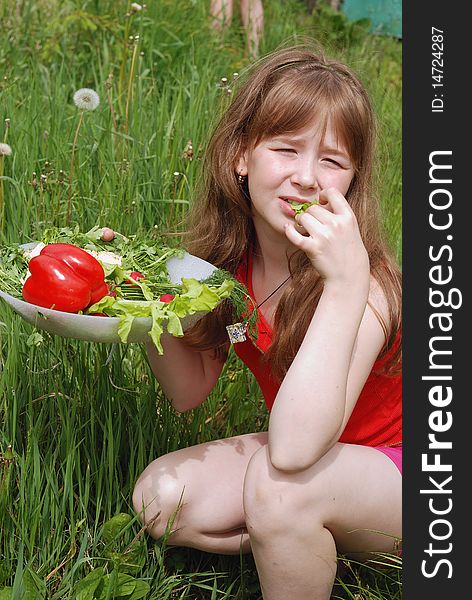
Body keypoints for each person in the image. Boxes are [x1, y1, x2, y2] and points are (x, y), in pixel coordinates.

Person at [132, 44, 402, 600]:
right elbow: (190, 390)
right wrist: (141, 310)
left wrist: (346, 284)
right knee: (161, 499)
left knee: (280, 492)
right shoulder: (229, 272)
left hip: (409, 469)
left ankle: (297, 530)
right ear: (240, 155)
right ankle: (307, 543)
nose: (306, 177)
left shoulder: (366, 281)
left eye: (331, 160)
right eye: (285, 149)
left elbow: (295, 451)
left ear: (352, 180)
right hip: (316, 460)